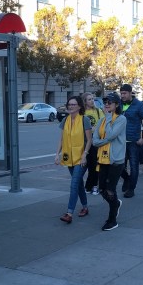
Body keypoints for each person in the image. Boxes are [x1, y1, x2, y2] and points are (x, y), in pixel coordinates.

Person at [92, 92, 127, 231]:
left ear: (117, 104)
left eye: (109, 102)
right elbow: (95, 140)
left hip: (115, 160)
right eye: (105, 102)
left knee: (110, 190)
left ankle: (112, 220)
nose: (106, 104)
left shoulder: (121, 119)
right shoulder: (102, 120)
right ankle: (116, 204)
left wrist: (107, 118)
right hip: (102, 158)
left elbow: (112, 134)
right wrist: (103, 141)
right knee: (102, 189)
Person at [55, 95, 92, 223]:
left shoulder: (84, 120)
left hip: (81, 159)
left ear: (79, 106)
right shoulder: (65, 120)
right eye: (69, 104)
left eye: (73, 104)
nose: (70, 106)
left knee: (74, 184)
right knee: (79, 183)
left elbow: (89, 140)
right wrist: (57, 154)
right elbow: (62, 139)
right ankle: (85, 207)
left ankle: (69, 213)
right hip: (68, 157)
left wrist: (84, 155)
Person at [118, 84, 143, 198]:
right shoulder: (119, 104)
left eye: (124, 93)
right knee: (118, 165)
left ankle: (131, 189)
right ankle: (127, 179)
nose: (122, 95)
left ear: (130, 93)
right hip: (119, 140)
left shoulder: (138, 105)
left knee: (133, 166)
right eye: (121, 93)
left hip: (133, 141)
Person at [82, 92, 104, 195]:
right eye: (89, 99)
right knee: (90, 165)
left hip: (96, 142)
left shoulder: (98, 111)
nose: (92, 101)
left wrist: (96, 129)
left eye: (92, 99)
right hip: (86, 142)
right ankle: (89, 185)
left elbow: (104, 124)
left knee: (96, 165)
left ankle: (94, 186)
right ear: (85, 102)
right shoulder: (82, 113)